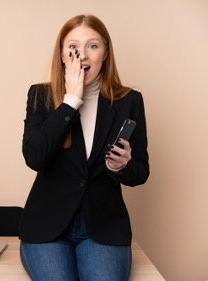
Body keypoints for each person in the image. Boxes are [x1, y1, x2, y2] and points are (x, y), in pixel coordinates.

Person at [19, 14, 150, 281]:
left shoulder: (130, 101)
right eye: (73, 47)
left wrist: (122, 166)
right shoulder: (40, 96)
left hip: (103, 228)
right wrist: (71, 101)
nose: (83, 55)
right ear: (62, 55)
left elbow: (141, 172)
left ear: (105, 52)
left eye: (92, 45)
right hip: (47, 227)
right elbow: (34, 157)